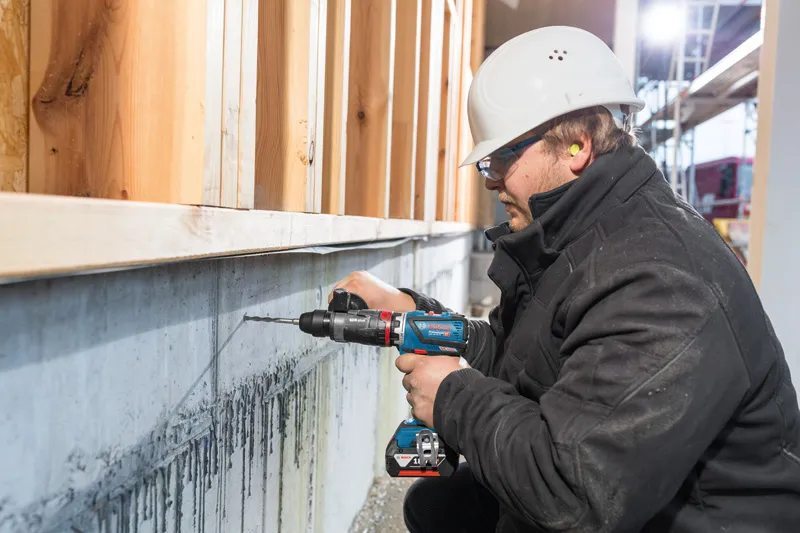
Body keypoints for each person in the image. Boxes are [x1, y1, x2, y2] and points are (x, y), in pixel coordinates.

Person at [331, 26, 800, 532]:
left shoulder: (662, 280)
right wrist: (418, 317)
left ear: (577, 147)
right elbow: (534, 361)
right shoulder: (583, 237)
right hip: (637, 500)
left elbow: (577, 495)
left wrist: (452, 397)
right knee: (440, 505)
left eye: (503, 156)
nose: (491, 179)